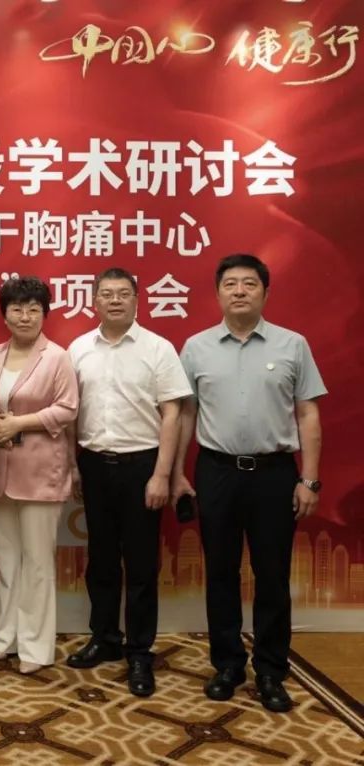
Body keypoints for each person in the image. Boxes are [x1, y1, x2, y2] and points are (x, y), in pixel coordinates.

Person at [172, 254, 326, 713]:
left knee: (272, 575)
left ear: (265, 292)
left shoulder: (292, 345)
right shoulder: (196, 347)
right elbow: (185, 415)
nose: (239, 291)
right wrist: (177, 472)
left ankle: (271, 671)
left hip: (275, 474)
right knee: (220, 572)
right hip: (217, 471)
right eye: (231, 284)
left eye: (249, 284)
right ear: (218, 293)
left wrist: (310, 479)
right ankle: (227, 666)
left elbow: (308, 414)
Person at [66, 267, 191, 697]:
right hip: (94, 465)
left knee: (140, 566)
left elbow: (173, 413)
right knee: (100, 561)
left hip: (143, 466)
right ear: (94, 301)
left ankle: (140, 652)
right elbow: (71, 412)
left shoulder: (158, 348)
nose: (115, 300)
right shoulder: (79, 349)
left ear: (138, 300)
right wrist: (74, 465)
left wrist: (162, 474)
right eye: (107, 293)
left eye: (123, 293)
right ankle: (104, 638)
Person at [0, 277, 78, 674]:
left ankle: (36, 648)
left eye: (34, 309)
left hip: (41, 473)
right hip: (1, 471)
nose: (25, 316)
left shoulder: (57, 357)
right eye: (17, 309)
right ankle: (4, 638)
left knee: (38, 563)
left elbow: (68, 408)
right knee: (7, 561)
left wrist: (18, 423)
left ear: (44, 314)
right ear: (4, 315)